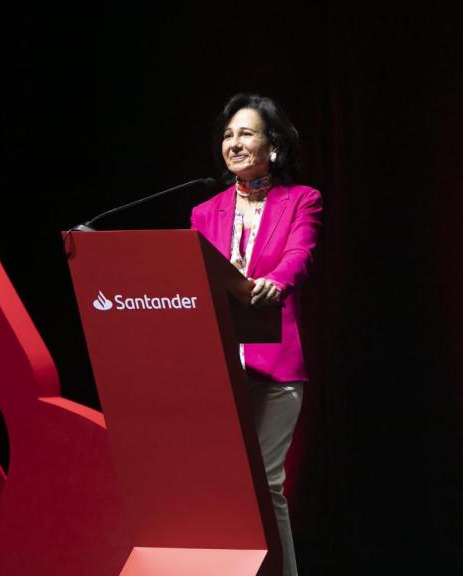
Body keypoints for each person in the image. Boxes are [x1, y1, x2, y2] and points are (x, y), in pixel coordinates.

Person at [190, 93, 322, 576]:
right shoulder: (205, 212)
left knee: (265, 483)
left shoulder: (302, 200)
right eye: (228, 135)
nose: (234, 143)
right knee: (221, 485)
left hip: (276, 367)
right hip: (221, 367)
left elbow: (300, 253)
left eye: (246, 133)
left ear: (274, 146)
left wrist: (277, 282)